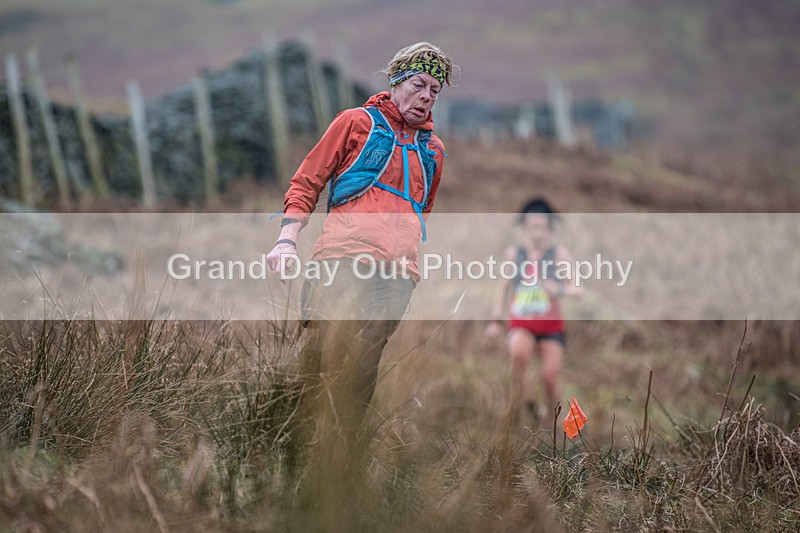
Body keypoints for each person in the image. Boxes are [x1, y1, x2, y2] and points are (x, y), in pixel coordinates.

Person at [266, 42, 458, 432]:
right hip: (342, 257)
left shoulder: (433, 151)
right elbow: (308, 181)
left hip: (398, 273)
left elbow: (424, 208)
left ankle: (343, 458)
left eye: (434, 90)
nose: (426, 96)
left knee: (365, 363)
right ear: (396, 82)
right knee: (321, 357)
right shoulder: (355, 122)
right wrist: (287, 238)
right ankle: (282, 436)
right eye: (419, 84)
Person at [487, 197, 578, 424]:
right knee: (518, 354)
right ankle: (530, 405)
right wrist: (496, 321)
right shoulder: (513, 254)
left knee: (549, 377)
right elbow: (502, 288)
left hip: (551, 328)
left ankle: (554, 425)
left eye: (541, 227)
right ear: (524, 229)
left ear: (549, 229)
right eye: (532, 227)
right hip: (521, 323)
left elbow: (578, 288)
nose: (536, 232)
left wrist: (558, 289)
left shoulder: (558, 254)